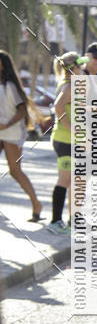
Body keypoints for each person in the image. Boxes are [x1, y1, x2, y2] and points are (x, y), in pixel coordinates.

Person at [0, 51, 43, 221]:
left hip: (12, 132)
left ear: (3, 65)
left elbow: (22, 110)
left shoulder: (10, 85)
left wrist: (7, 124)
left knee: (15, 171)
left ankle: (36, 203)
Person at [47, 52, 85, 234]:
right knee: (65, 179)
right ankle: (55, 221)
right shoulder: (68, 86)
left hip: (70, 141)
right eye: (80, 66)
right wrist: (71, 128)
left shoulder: (73, 84)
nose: (83, 69)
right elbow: (57, 106)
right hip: (64, 141)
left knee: (73, 181)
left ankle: (72, 221)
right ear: (73, 68)